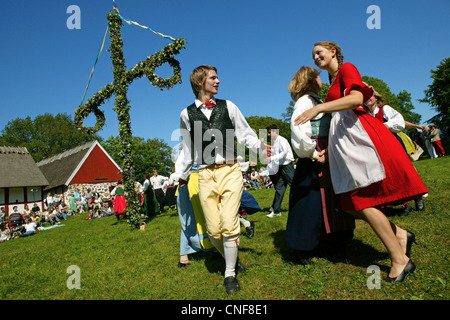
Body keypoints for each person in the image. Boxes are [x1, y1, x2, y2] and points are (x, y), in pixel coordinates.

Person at [294, 41, 428, 283]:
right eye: (312, 54)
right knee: (347, 204)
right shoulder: (333, 82)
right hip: (347, 144)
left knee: (360, 200)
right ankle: (400, 235)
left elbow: (356, 99)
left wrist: (319, 109)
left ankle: (400, 259)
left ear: (333, 51)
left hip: (361, 139)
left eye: (319, 52)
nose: (315, 57)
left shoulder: (347, 69)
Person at [178, 65, 267, 294]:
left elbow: (246, 134)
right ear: (200, 82)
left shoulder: (229, 106)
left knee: (229, 222)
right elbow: (188, 148)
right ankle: (231, 258)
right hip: (205, 173)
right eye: (213, 78)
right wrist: (182, 174)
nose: (218, 81)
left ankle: (229, 273)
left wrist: (261, 148)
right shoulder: (186, 114)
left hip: (230, 169)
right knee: (213, 230)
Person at [286, 66, 355, 264]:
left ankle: (331, 240)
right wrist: (314, 153)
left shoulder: (315, 101)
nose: (322, 80)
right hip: (315, 157)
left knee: (328, 198)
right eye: (318, 76)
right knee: (310, 201)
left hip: (325, 152)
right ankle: (302, 247)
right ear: (312, 80)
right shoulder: (304, 102)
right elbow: (298, 129)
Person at [265, 124, 295, 218]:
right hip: (280, 167)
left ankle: (304, 205)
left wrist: (271, 158)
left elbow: (284, 153)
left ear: (275, 131)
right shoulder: (274, 142)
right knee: (279, 188)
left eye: (269, 133)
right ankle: (276, 211)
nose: (269, 135)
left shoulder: (282, 140)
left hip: (287, 166)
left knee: (295, 186)